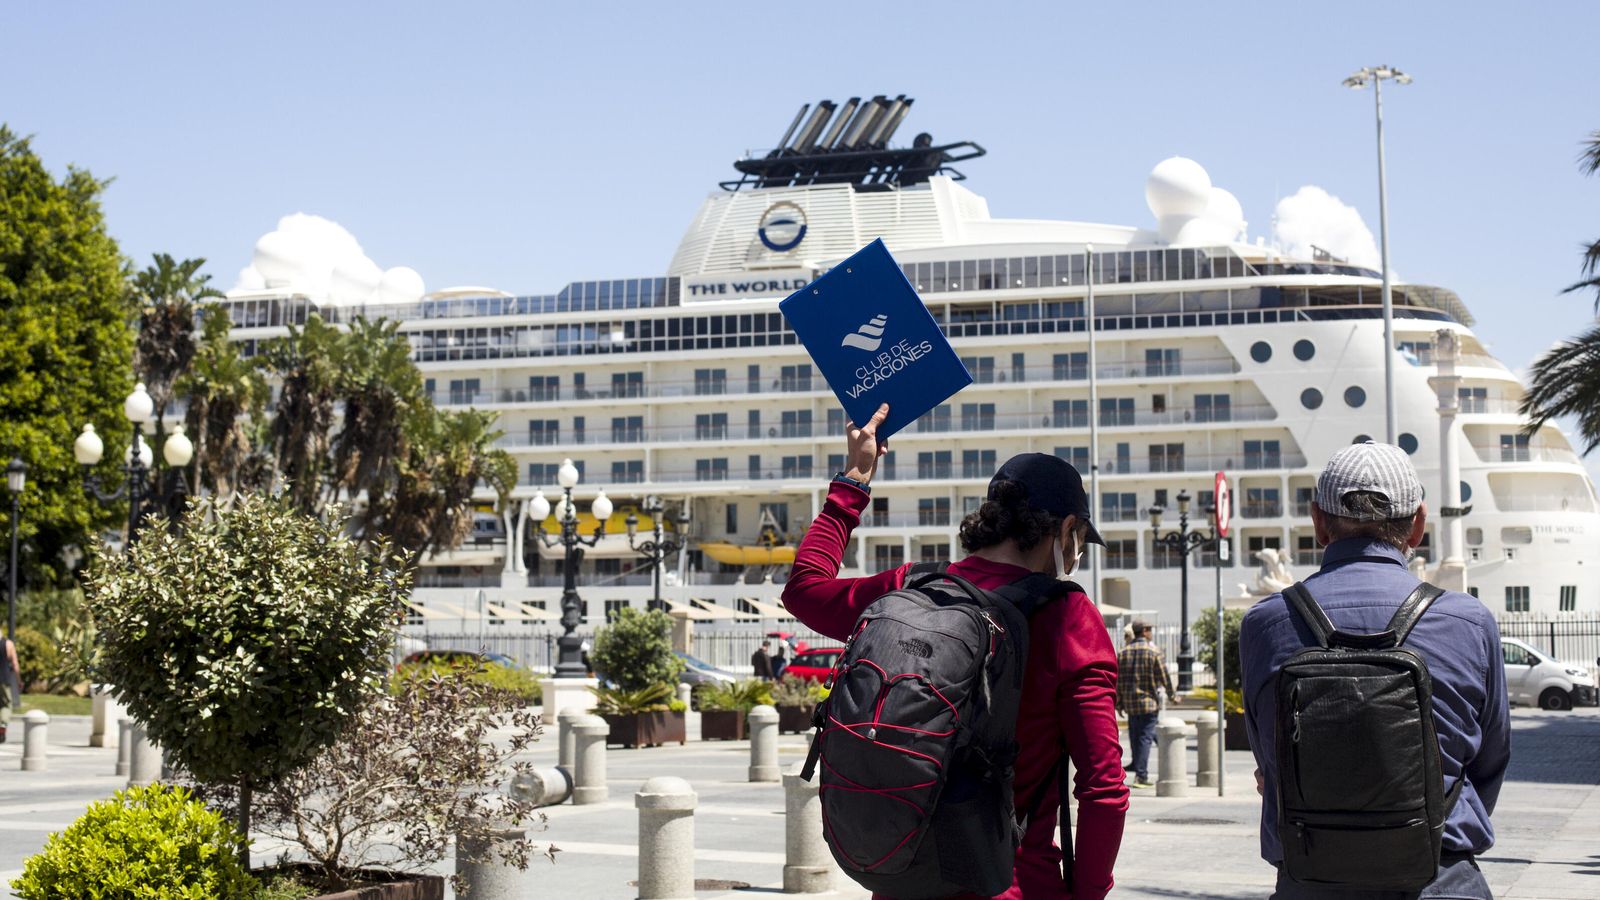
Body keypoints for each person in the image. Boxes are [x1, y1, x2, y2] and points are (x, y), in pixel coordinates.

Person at [783, 403, 1128, 900]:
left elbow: (804, 589)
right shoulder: (1067, 615)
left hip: (902, 876)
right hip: (1009, 885)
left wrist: (854, 481)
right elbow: (1104, 789)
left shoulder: (913, 584)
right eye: (1077, 541)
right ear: (1067, 528)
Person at [1239, 441, 1510, 899]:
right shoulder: (1470, 621)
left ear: (1319, 523)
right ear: (1418, 525)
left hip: (1310, 880)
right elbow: (1489, 761)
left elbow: (1269, 756)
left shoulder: (1264, 624)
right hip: (1440, 880)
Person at [1116, 620, 1174, 790]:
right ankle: (1141, 775)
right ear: (1145, 631)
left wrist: (1118, 703)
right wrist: (1172, 695)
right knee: (1145, 737)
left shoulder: (1123, 653)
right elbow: (1164, 676)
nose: (1151, 633)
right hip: (1148, 703)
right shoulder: (1153, 651)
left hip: (1130, 703)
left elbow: (1118, 680)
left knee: (1136, 736)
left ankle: (1136, 764)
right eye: (1150, 630)